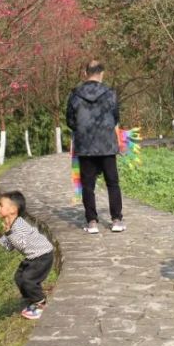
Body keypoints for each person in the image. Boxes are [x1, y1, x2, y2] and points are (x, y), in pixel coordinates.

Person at [66, 60, 124, 234]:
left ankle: (92, 223)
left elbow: (70, 120)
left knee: (88, 185)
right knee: (112, 183)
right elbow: (115, 117)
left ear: (85, 73)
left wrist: (82, 130)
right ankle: (116, 220)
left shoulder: (75, 94)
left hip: (85, 146)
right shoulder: (110, 93)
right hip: (107, 144)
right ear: (102, 73)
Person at [0, 191, 55, 320]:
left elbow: (22, 244)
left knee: (28, 279)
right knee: (19, 277)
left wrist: (9, 233)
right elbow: (10, 247)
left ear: (13, 210)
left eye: (1, 205)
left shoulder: (20, 225)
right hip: (33, 257)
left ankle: (41, 304)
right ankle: (32, 299)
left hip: (43, 255)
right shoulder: (11, 226)